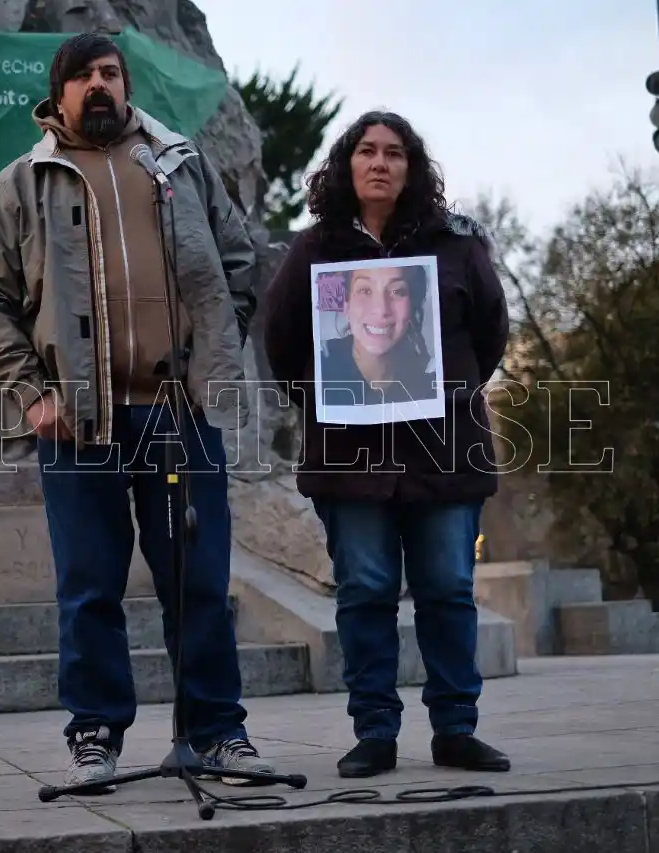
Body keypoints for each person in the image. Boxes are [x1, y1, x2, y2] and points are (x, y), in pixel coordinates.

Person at [0, 32, 271, 792]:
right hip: (78, 424)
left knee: (198, 580)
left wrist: (212, 357)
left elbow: (239, 263)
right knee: (90, 587)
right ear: (58, 94)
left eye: (110, 73)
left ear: (126, 85)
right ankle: (94, 736)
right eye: (84, 76)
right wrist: (32, 393)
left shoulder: (178, 164)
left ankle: (217, 733)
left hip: (178, 414)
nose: (99, 85)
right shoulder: (20, 184)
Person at [262, 110, 512, 779]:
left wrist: (447, 389)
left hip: (446, 453)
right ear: (346, 165)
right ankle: (374, 731)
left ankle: (456, 729)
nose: (380, 162)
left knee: (448, 589)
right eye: (367, 151)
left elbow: (491, 332)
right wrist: (334, 400)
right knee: (365, 591)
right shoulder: (315, 251)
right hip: (350, 461)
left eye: (394, 152)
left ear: (412, 167)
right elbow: (282, 341)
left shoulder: (456, 245)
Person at [318, 263, 438, 406]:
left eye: (397, 291)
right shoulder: (320, 370)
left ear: (412, 306)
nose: (381, 310)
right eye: (365, 290)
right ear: (346, 304)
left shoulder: (431, 383)